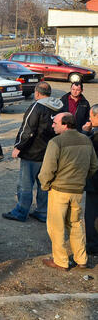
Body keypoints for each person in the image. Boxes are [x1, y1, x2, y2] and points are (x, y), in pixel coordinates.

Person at [39, 113, 97, 271]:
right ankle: (81, 258)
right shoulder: (86, 140)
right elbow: (93, 166)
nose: (53, 125)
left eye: (55, 122)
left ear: (65, 124)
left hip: (59, 190)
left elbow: (47, 170)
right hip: (77, 190)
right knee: (75, 224)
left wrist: (45, 185)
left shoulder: (56, 142)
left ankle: (61, 261)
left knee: (56, 227)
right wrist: (81, 180)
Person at [3, 82, 63, 222]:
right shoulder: (59, 107)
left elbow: (27, 130)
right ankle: (42, 212)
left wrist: (18, 147)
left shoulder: (37, 107)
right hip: (49, 153)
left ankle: (21, 211)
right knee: (44, 185)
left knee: (25, 184)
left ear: (37, 92)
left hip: (32, 153)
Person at [81, 104, 98, 256]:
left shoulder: (94, 136)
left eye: (91, 117)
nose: (89, 119)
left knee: (91, 214)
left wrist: (85, 133)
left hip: (95, 182)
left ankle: (93, 245)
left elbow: (84, 150)